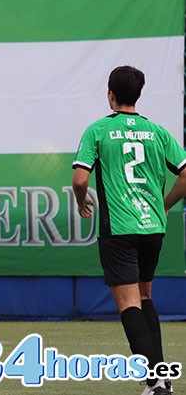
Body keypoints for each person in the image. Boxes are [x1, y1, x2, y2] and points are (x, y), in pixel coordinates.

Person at [72, 66, 186, 395]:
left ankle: (154, 382)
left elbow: (80, 179)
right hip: (153, 227)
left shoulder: (98, 130)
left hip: (119, 228)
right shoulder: (157, 132)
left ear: (110, 95)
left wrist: (81, 201)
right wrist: (164, 205)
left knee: (129, 304)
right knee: (146, 296)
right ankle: (162, 375)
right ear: (139, 95)